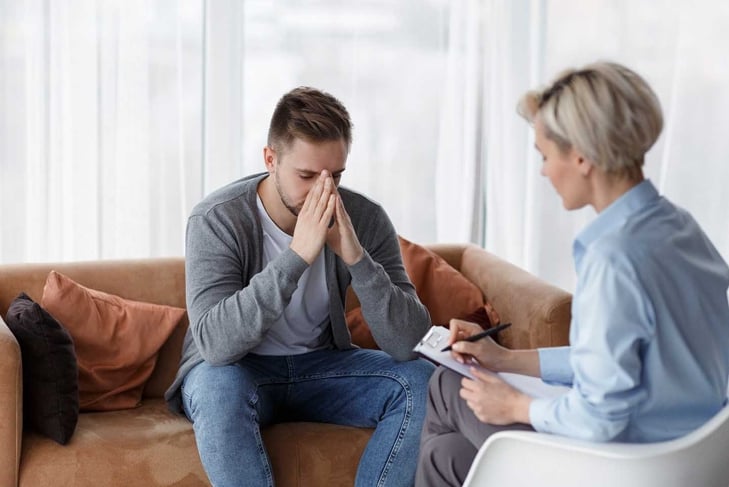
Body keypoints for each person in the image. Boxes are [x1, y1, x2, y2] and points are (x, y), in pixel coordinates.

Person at [415, 61, 729, 486]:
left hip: (621, 467)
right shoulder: (680, 227)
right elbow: (610, 360)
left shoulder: (614, 259)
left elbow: (600, 419)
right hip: (693, 461)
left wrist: (515, 406)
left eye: (545, 156)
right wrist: (506, 360)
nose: (543, 171)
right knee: (445, 456)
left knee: (446, 386)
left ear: (581, 156)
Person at [165, 86, 435, 487]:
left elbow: (408, 343)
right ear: (270, 159)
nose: (323, 191)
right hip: (238, 371)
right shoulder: (217, 218)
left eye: (335, 176)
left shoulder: (363, 217)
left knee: (426, 381)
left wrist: (357, 259)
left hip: (321, 367)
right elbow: (216, 346)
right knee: (218, 387)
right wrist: (297, 256)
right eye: (306, 175)